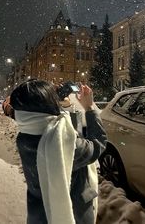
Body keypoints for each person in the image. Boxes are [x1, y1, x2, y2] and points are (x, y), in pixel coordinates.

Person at [10, 79, 107, 224]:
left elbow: (58, 127)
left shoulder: (25, 136)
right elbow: (97, 144)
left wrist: (62, 105)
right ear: (47, 106)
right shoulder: (60, 143)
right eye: (53, 97)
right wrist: (89, 108)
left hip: (39, 214)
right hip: (73, 213)